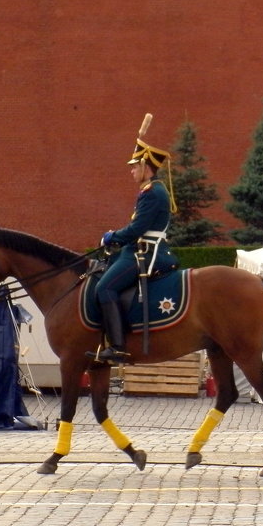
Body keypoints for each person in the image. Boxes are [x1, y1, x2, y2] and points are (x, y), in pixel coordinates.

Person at [87, 116, 178, 364]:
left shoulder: (153, 192)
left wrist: (111, 236)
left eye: (134, 166)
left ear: (146, 166)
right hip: (137, 249)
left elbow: (137, 228)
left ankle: (117, 346)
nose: (131, 171)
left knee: (104, 287)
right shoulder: (151, 191)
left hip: (146, 253)